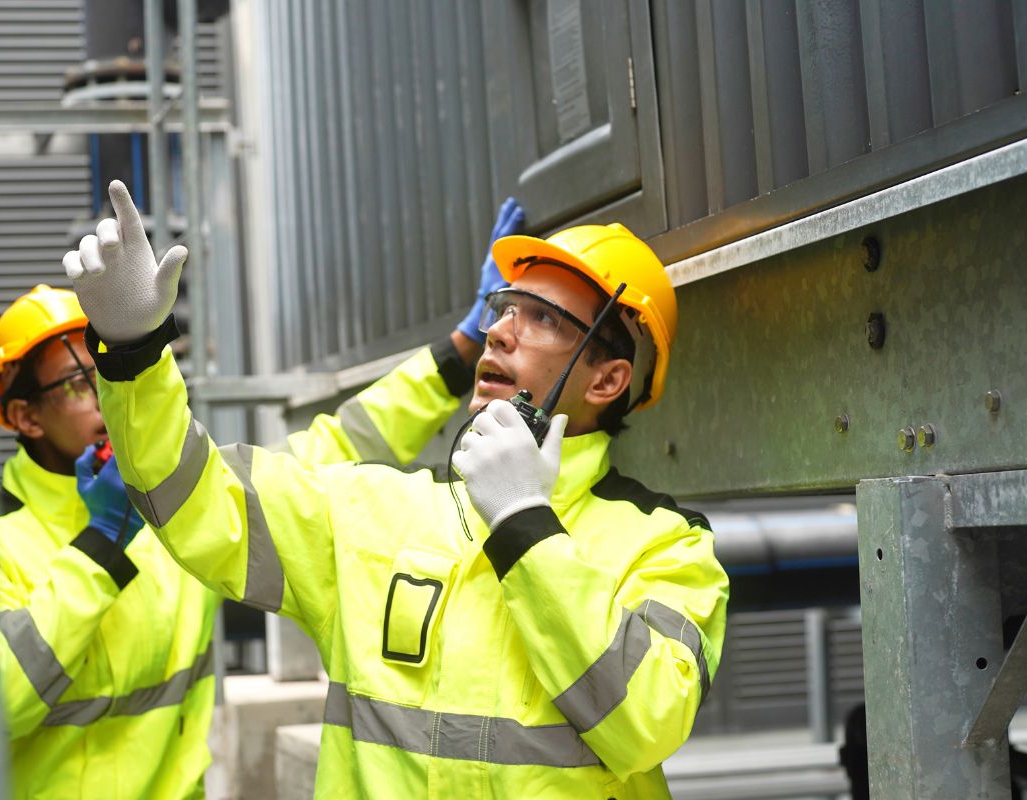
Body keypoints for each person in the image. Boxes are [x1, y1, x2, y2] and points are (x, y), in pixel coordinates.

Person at [66, 180, 728, 798]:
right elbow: (192, 497)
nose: (499, 331)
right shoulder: (374, 513)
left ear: (607, 381)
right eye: (505, 308)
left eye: (543, 319)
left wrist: (525, 524)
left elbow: (646, 722)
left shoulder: (668, 547)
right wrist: (133, 356)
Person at [0, 192, 524, 799]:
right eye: (80, 383)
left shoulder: (180, 498)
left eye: (103, 374)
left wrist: (459, 351)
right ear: (23, 417)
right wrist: (99, 548)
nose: (103, 395)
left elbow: (342, 443)